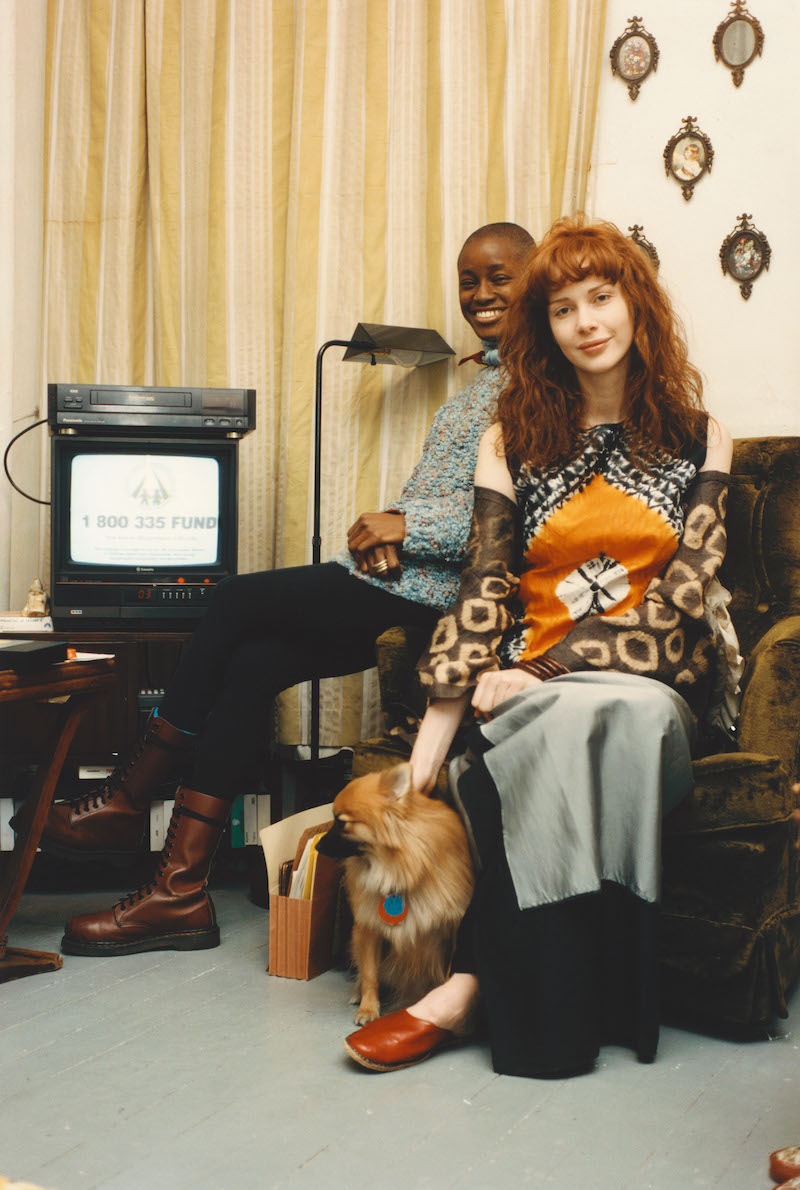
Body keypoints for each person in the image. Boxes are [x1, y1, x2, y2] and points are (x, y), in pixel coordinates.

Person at [36, 221, 534, 958]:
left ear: (537, 279)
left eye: (500, 276)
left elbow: (520, 513)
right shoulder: (484, 379)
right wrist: (399, 534)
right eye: (469, 278)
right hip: (405, 577)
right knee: (252, 665)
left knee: (234, 601)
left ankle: (128, 796)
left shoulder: (541, 384)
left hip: (444, 598)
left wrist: (405, 522)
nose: (481, 292)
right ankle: (179, 893)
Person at [342, 216, 734, 1078]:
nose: (588, 320)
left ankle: (477, 986)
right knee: (548, 727)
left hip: (651, 692)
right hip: (515, 700)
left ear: (640, 307)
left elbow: (684, 599)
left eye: (604, 296)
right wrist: (426, 753)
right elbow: (484, 593)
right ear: (543, 329)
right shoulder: (506, 444)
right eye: (563, 307)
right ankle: (552, 1005)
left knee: (597, 712)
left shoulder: (701, 436)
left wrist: (544, 668)